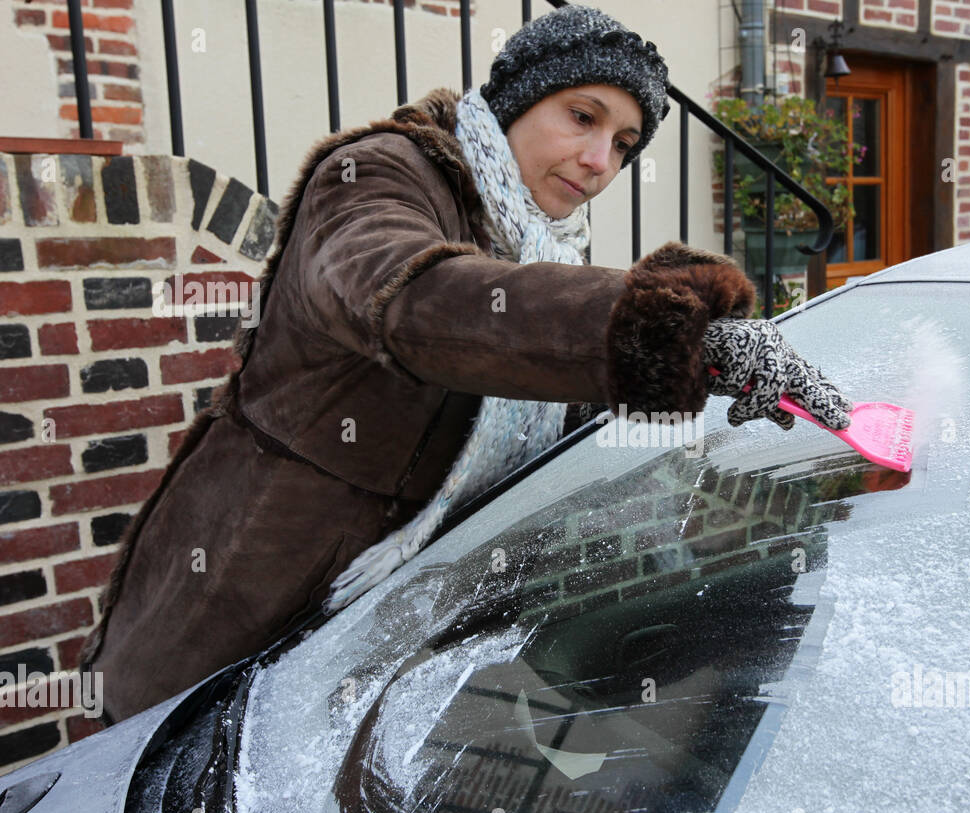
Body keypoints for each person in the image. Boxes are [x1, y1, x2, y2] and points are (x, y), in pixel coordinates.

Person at [78, 4, 852, 724]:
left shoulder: (541, 247)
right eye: (582, 117)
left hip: (358, 667)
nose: (597, 161)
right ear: (516, 101)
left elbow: (550, 405)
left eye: (623, 145)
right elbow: (422, 304)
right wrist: (668, 331)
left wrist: (724, 423)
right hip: (228, 628)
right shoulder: (378, 177)